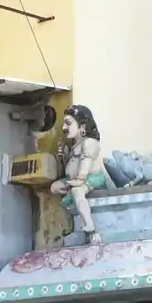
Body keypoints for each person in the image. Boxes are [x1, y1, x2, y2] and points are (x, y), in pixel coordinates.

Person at [51, 104, 106, 243]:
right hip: (75, 179)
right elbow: (69, 168)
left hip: (91, 178)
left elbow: (85, 165)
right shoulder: (75, 145)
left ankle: (90, 228)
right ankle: (71, 222)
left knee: (77, 192)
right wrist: (63, 157)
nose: (64, 128)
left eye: (68, 123)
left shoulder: (90, 143)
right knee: (54, 187)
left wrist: (80, 180)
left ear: (82, 126)